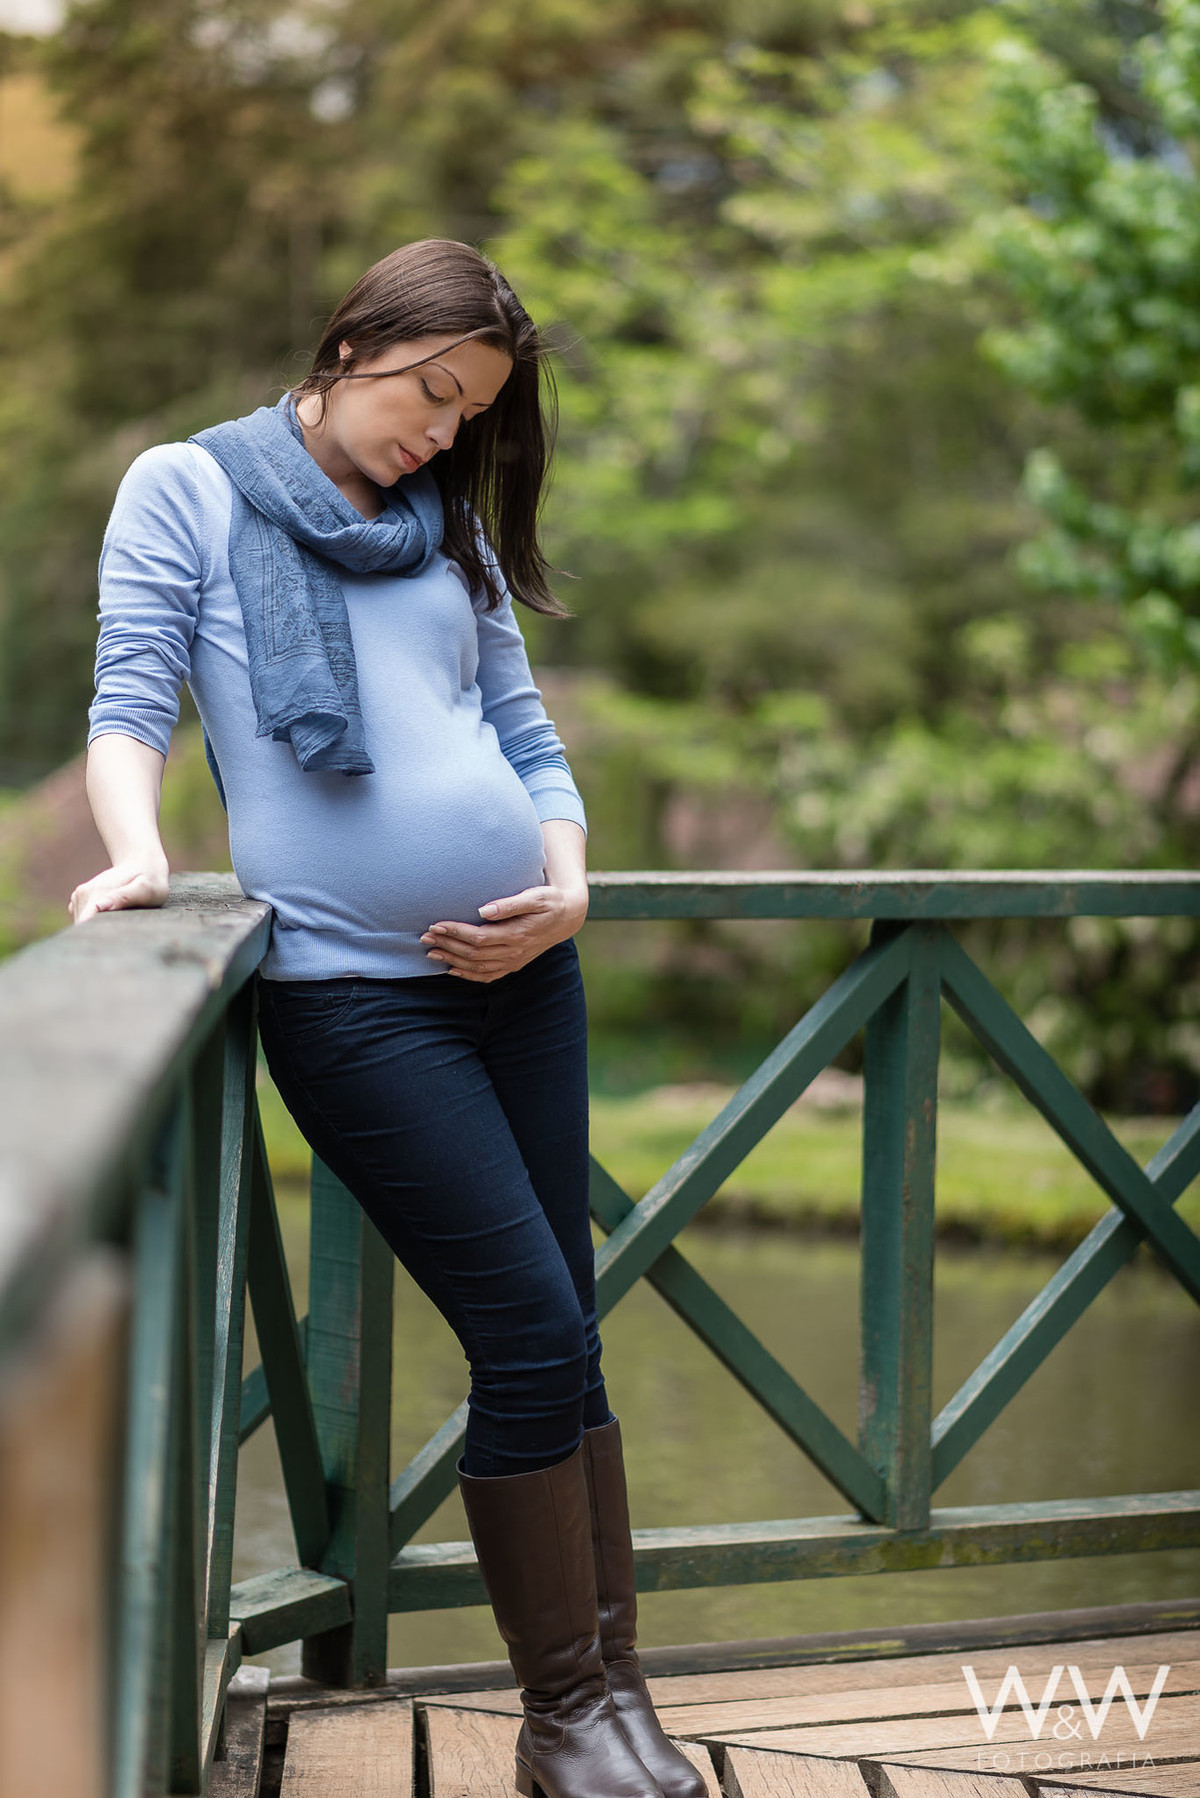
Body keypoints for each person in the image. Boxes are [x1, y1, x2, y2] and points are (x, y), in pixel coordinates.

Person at [70, 238, 704, 1798]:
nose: (441, 433)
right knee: (532, 1329)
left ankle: (618, 1700)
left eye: (471, 412)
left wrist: (567, 885)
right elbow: (131, 695)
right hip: (361, 1004)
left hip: (525, 979)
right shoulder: (191, 487)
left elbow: (521, 724)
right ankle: (565, 1717)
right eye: (431, 393)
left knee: (571, 1331)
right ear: (355, 340)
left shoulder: (445, 527)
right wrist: (141, 853)